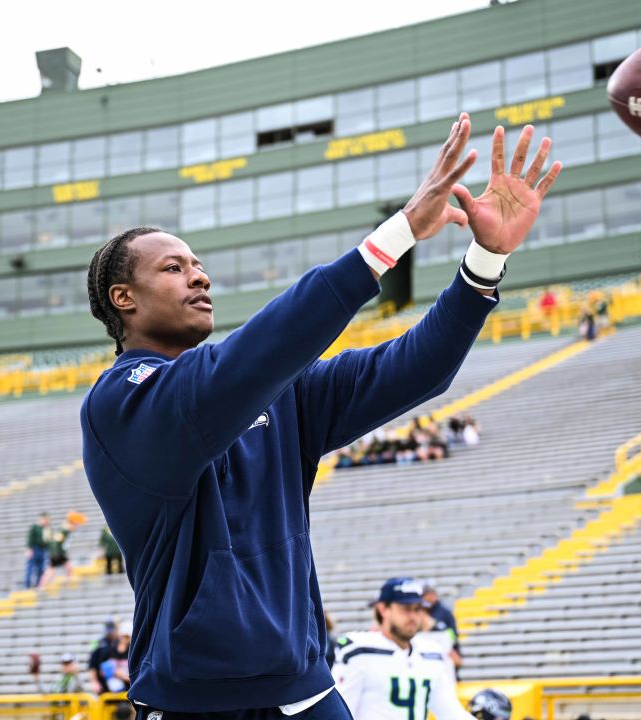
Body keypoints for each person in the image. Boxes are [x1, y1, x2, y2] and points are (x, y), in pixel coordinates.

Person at [80, 113, 561, 718]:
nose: (198, 274)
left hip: (305, 688)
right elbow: (240, 367)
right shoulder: (120, 401)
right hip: (192, 701)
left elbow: (414, 369)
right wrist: (395, 236)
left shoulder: (272, 391)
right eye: (172, 267)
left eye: (197, 263)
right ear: (122, 299)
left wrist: (484, 262)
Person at [331, 578, 475, 720]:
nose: (413, 616)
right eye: (405, 609)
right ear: (383, 609)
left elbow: (450, 713)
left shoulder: (431, 653)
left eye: (417, 609)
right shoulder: (359, 650)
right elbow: (338, 713)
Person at [421, 583, 463, 678]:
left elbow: (453, 634)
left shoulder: (445, 612)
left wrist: (434, 625)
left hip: (445, 655)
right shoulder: (420, 610)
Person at [39, 517, 75, 589]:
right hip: (57, 555)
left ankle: (68, 583)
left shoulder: (65, 533)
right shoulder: (63, 533)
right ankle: (41, 586)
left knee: (69, 567)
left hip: (60, 554)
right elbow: (56, 543)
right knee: (51, 571)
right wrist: (55, 554)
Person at [88, 620, 121, 694]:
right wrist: (94, 681)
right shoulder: (99, 644)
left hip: (120, 682)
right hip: (103, 684)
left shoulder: (120, 643)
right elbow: (92, 665)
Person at [25, 512, 50, 589]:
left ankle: (38, 584)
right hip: (35, 549)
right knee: (30, 568)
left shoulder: (46, 529)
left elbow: (47, 541)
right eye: (44, 519)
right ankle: (27, 585)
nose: (45, 521)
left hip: (42, 550)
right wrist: (29, 549)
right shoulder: (35, 527)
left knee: (40, 569)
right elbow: (30, 539)